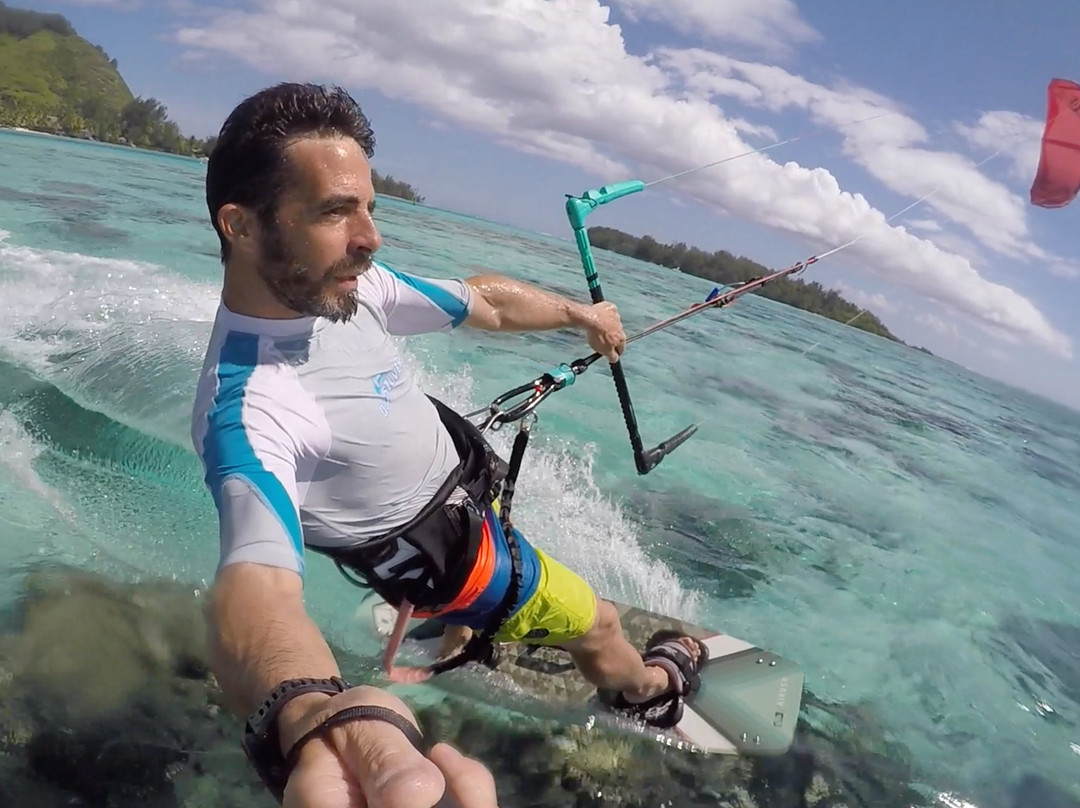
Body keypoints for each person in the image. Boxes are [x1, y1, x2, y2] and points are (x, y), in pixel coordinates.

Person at [190, 82, 707, 808]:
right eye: (335, 211)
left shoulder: (345, 284)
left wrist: (575, 313)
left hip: (458, 486)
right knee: (599, 623)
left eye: (369, 207)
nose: (370, 237)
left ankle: (464, 634)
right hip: (454, 558)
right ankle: (643, 691)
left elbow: (481, 300)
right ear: (241, 227)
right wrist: (311, 714)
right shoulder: (250, 406)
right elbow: (255, 592)